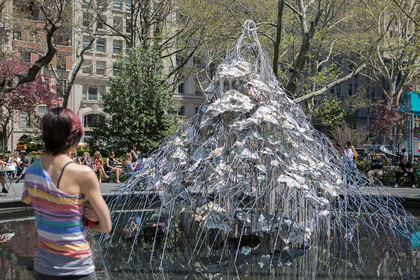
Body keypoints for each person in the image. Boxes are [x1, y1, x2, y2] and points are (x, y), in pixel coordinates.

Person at [21, 107, 111, 279]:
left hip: (43, 268)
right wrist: (86, 218)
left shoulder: (31, 171)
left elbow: (40, 206)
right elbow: (106, 226)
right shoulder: (83, 174)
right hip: (78, 270)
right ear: (75, 136)